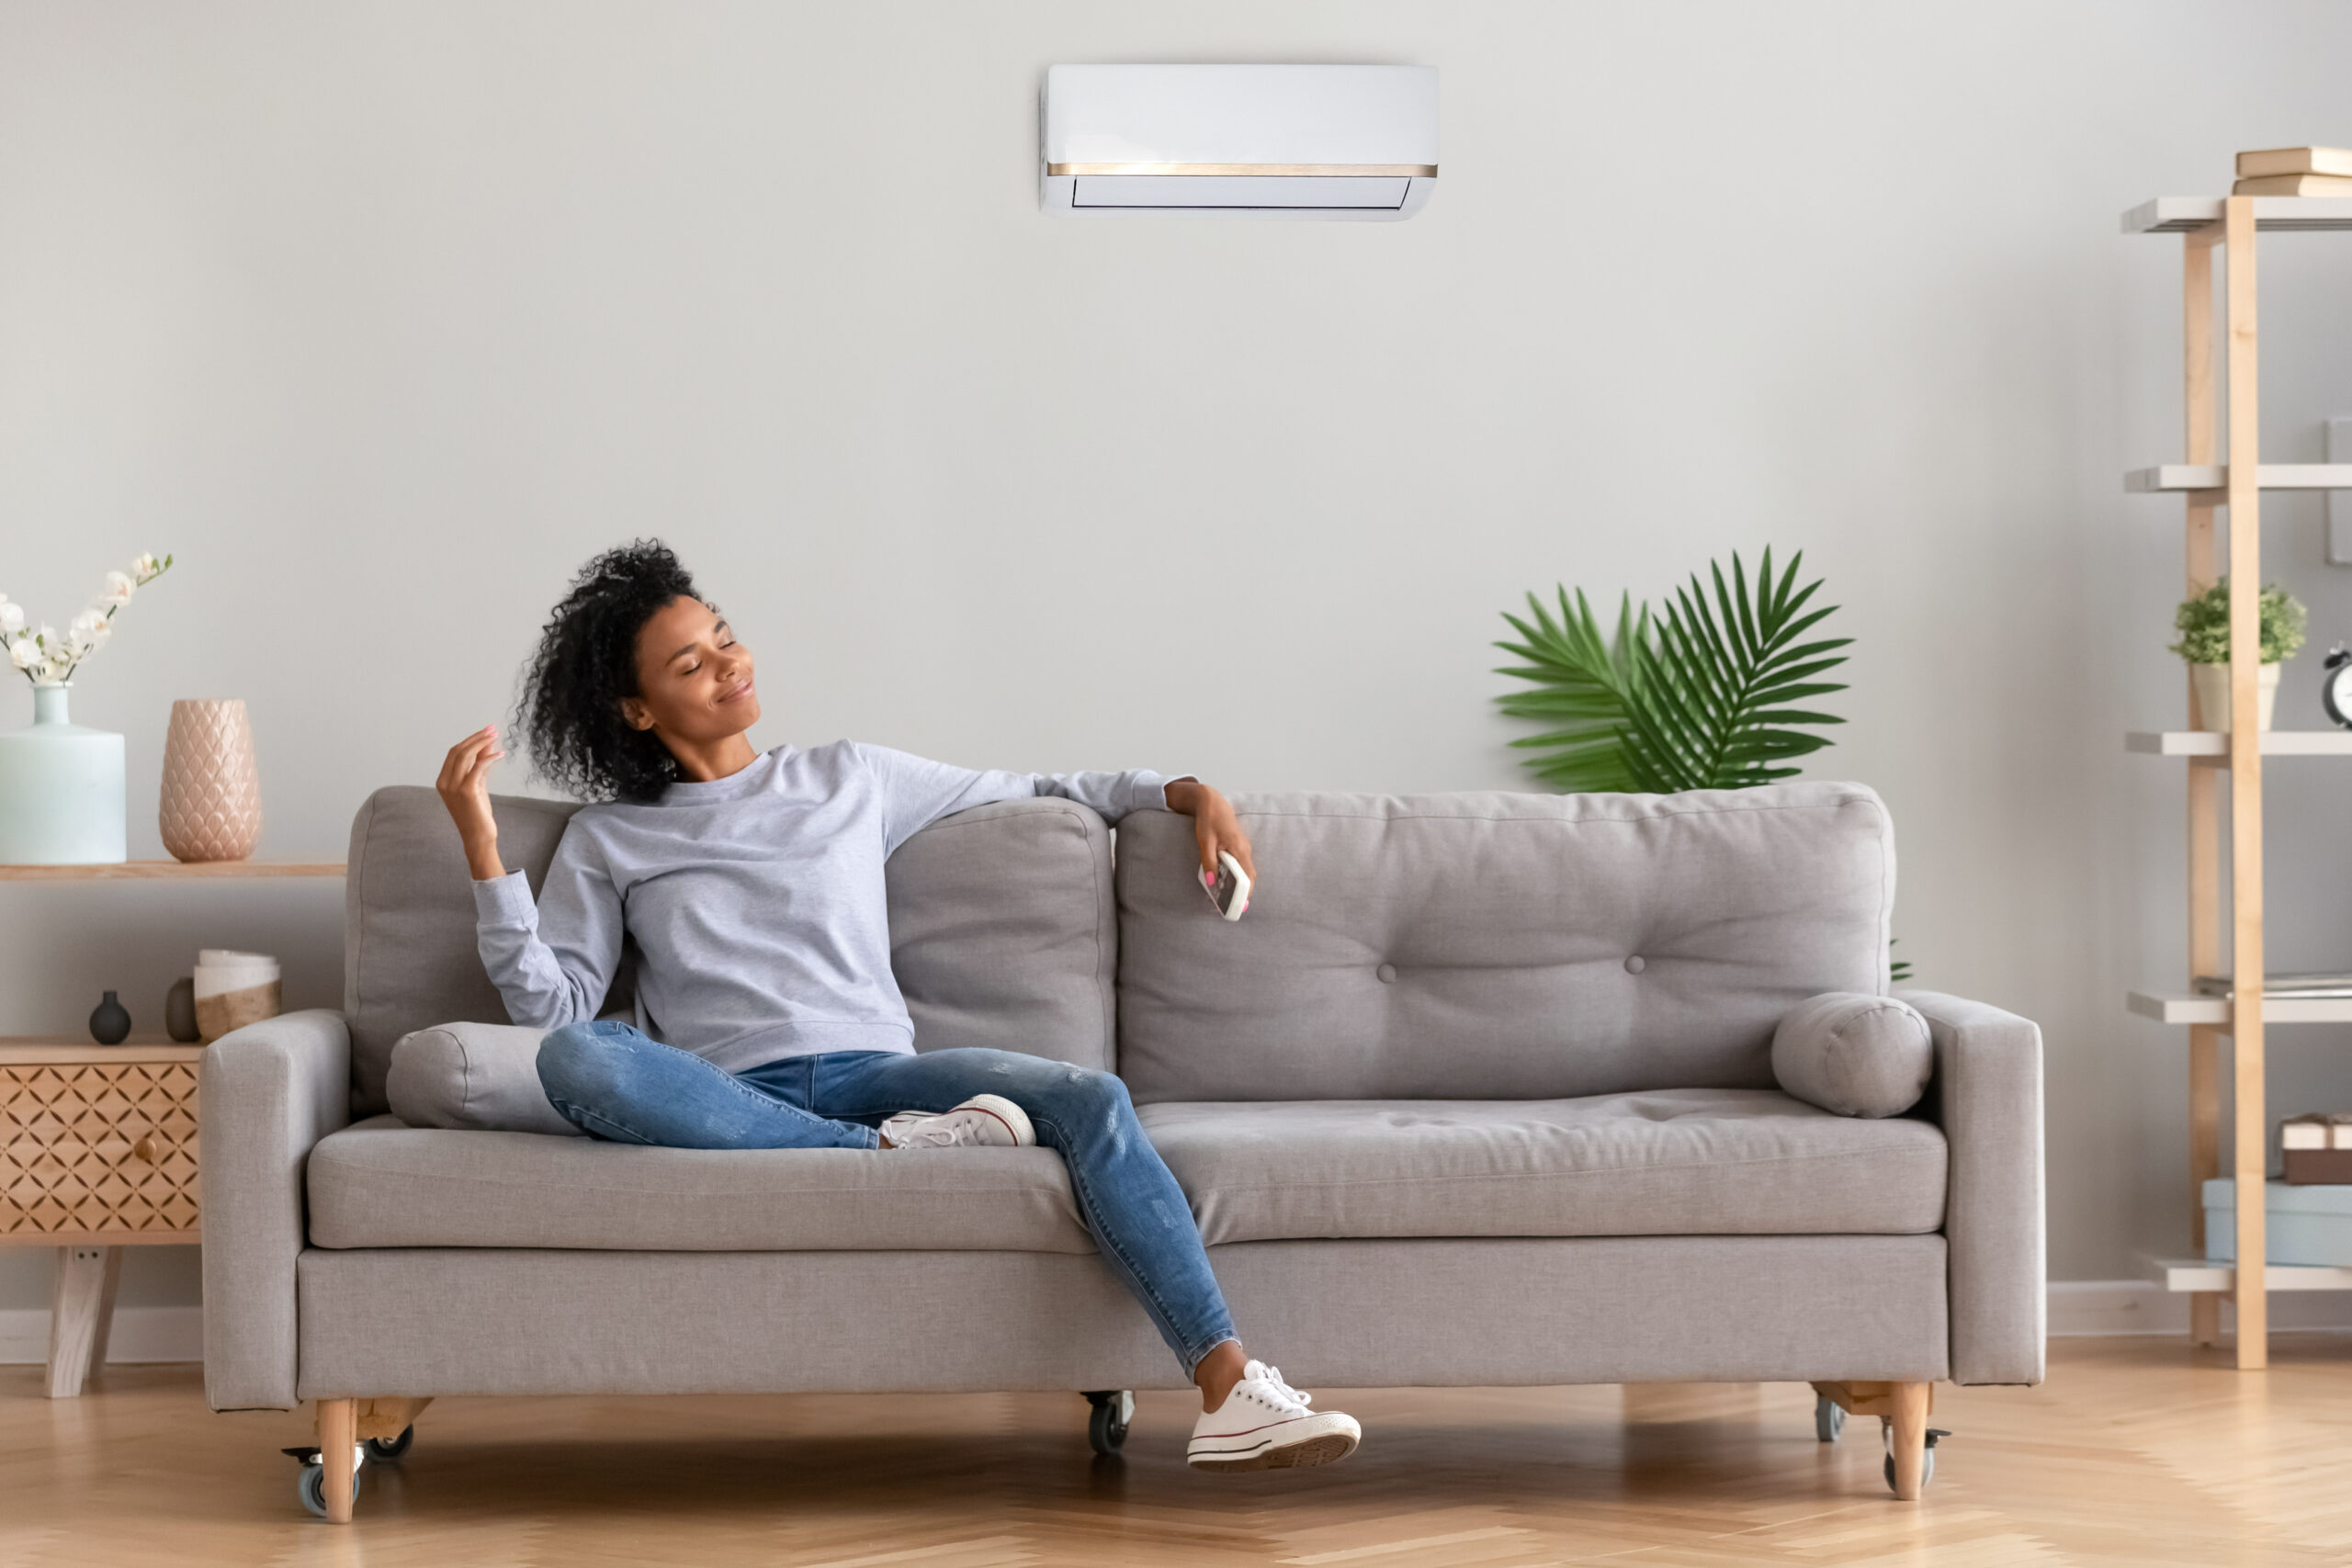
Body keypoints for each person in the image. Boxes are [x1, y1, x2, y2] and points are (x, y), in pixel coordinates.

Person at [434, 540, 1360, 1473]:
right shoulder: (609, 837)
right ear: (637, 710)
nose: (729, 666)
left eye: (724, 640)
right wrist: (483, 846)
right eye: (691, 664)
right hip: (727, 1099)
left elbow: (1042, 789)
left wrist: (1193, 794)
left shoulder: (850, 777)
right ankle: (882, 1152)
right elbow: (556, 1011)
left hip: (881, 1075)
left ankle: (1229, 1385)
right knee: (578, 1060)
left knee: (1091, 1097)